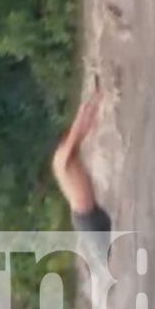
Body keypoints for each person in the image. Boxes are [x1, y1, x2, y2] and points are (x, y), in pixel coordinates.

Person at [52, 88, 111, 235]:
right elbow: (75, 133)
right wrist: (82, 113)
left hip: (91, 211)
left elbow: (82, 130)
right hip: (86, 216)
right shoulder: (60, 157)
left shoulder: (70, 152)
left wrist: (95, 103)